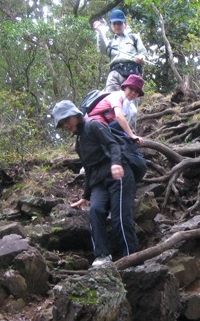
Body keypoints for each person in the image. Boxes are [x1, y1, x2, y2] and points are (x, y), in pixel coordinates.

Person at [52, 100, 139, 267]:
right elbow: (89, 170)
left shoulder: (94, 125)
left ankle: (132, 258)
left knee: (120, 216)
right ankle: (102, 256)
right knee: (95, 211)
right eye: (62, 124)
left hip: (118, 175)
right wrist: (85, 196)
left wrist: (116, 163)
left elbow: (113, 145)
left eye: (66, 120)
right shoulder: (79, 144)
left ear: (75, 115)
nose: (65, 125)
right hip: (99, 183)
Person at [93, 9, 147, 92]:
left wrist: (141, 57)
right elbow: (102, 50)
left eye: (119, 23)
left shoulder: (134, 38)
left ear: (125, 24)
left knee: (130, 101)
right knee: (111, 99)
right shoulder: (110, 43)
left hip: (132, 72)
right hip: (115, 72)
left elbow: (143, 53)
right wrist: (99, 32)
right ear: (111, 25)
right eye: (114, 23)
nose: (117, 26)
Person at [87, 74, 145, 144]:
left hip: (103, 128)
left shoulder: (129, 106)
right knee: (120, 126)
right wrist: (132, 135)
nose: (133, 93)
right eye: (131, 88)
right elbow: (119, 116)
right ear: (125, 88)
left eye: (136, 91)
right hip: (93, 128)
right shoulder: (117, 96)